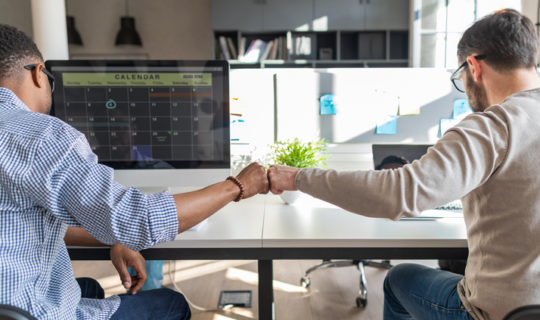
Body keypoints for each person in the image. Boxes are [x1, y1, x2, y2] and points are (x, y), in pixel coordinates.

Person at [268, 8, 540, 320]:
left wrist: (297, 178)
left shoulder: (490, 128)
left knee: (399, 280)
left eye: (460, 77)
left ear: (474, 66)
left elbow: (398, 194)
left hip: (498, 314)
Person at [0, 24, 269, 320]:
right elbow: (140, 219)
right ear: (39, 73)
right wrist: (237, 186)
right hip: (28, 311)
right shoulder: (41, 136)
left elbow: (25, 225)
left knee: (88, 287)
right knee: (171, 303)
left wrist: (114, 234)